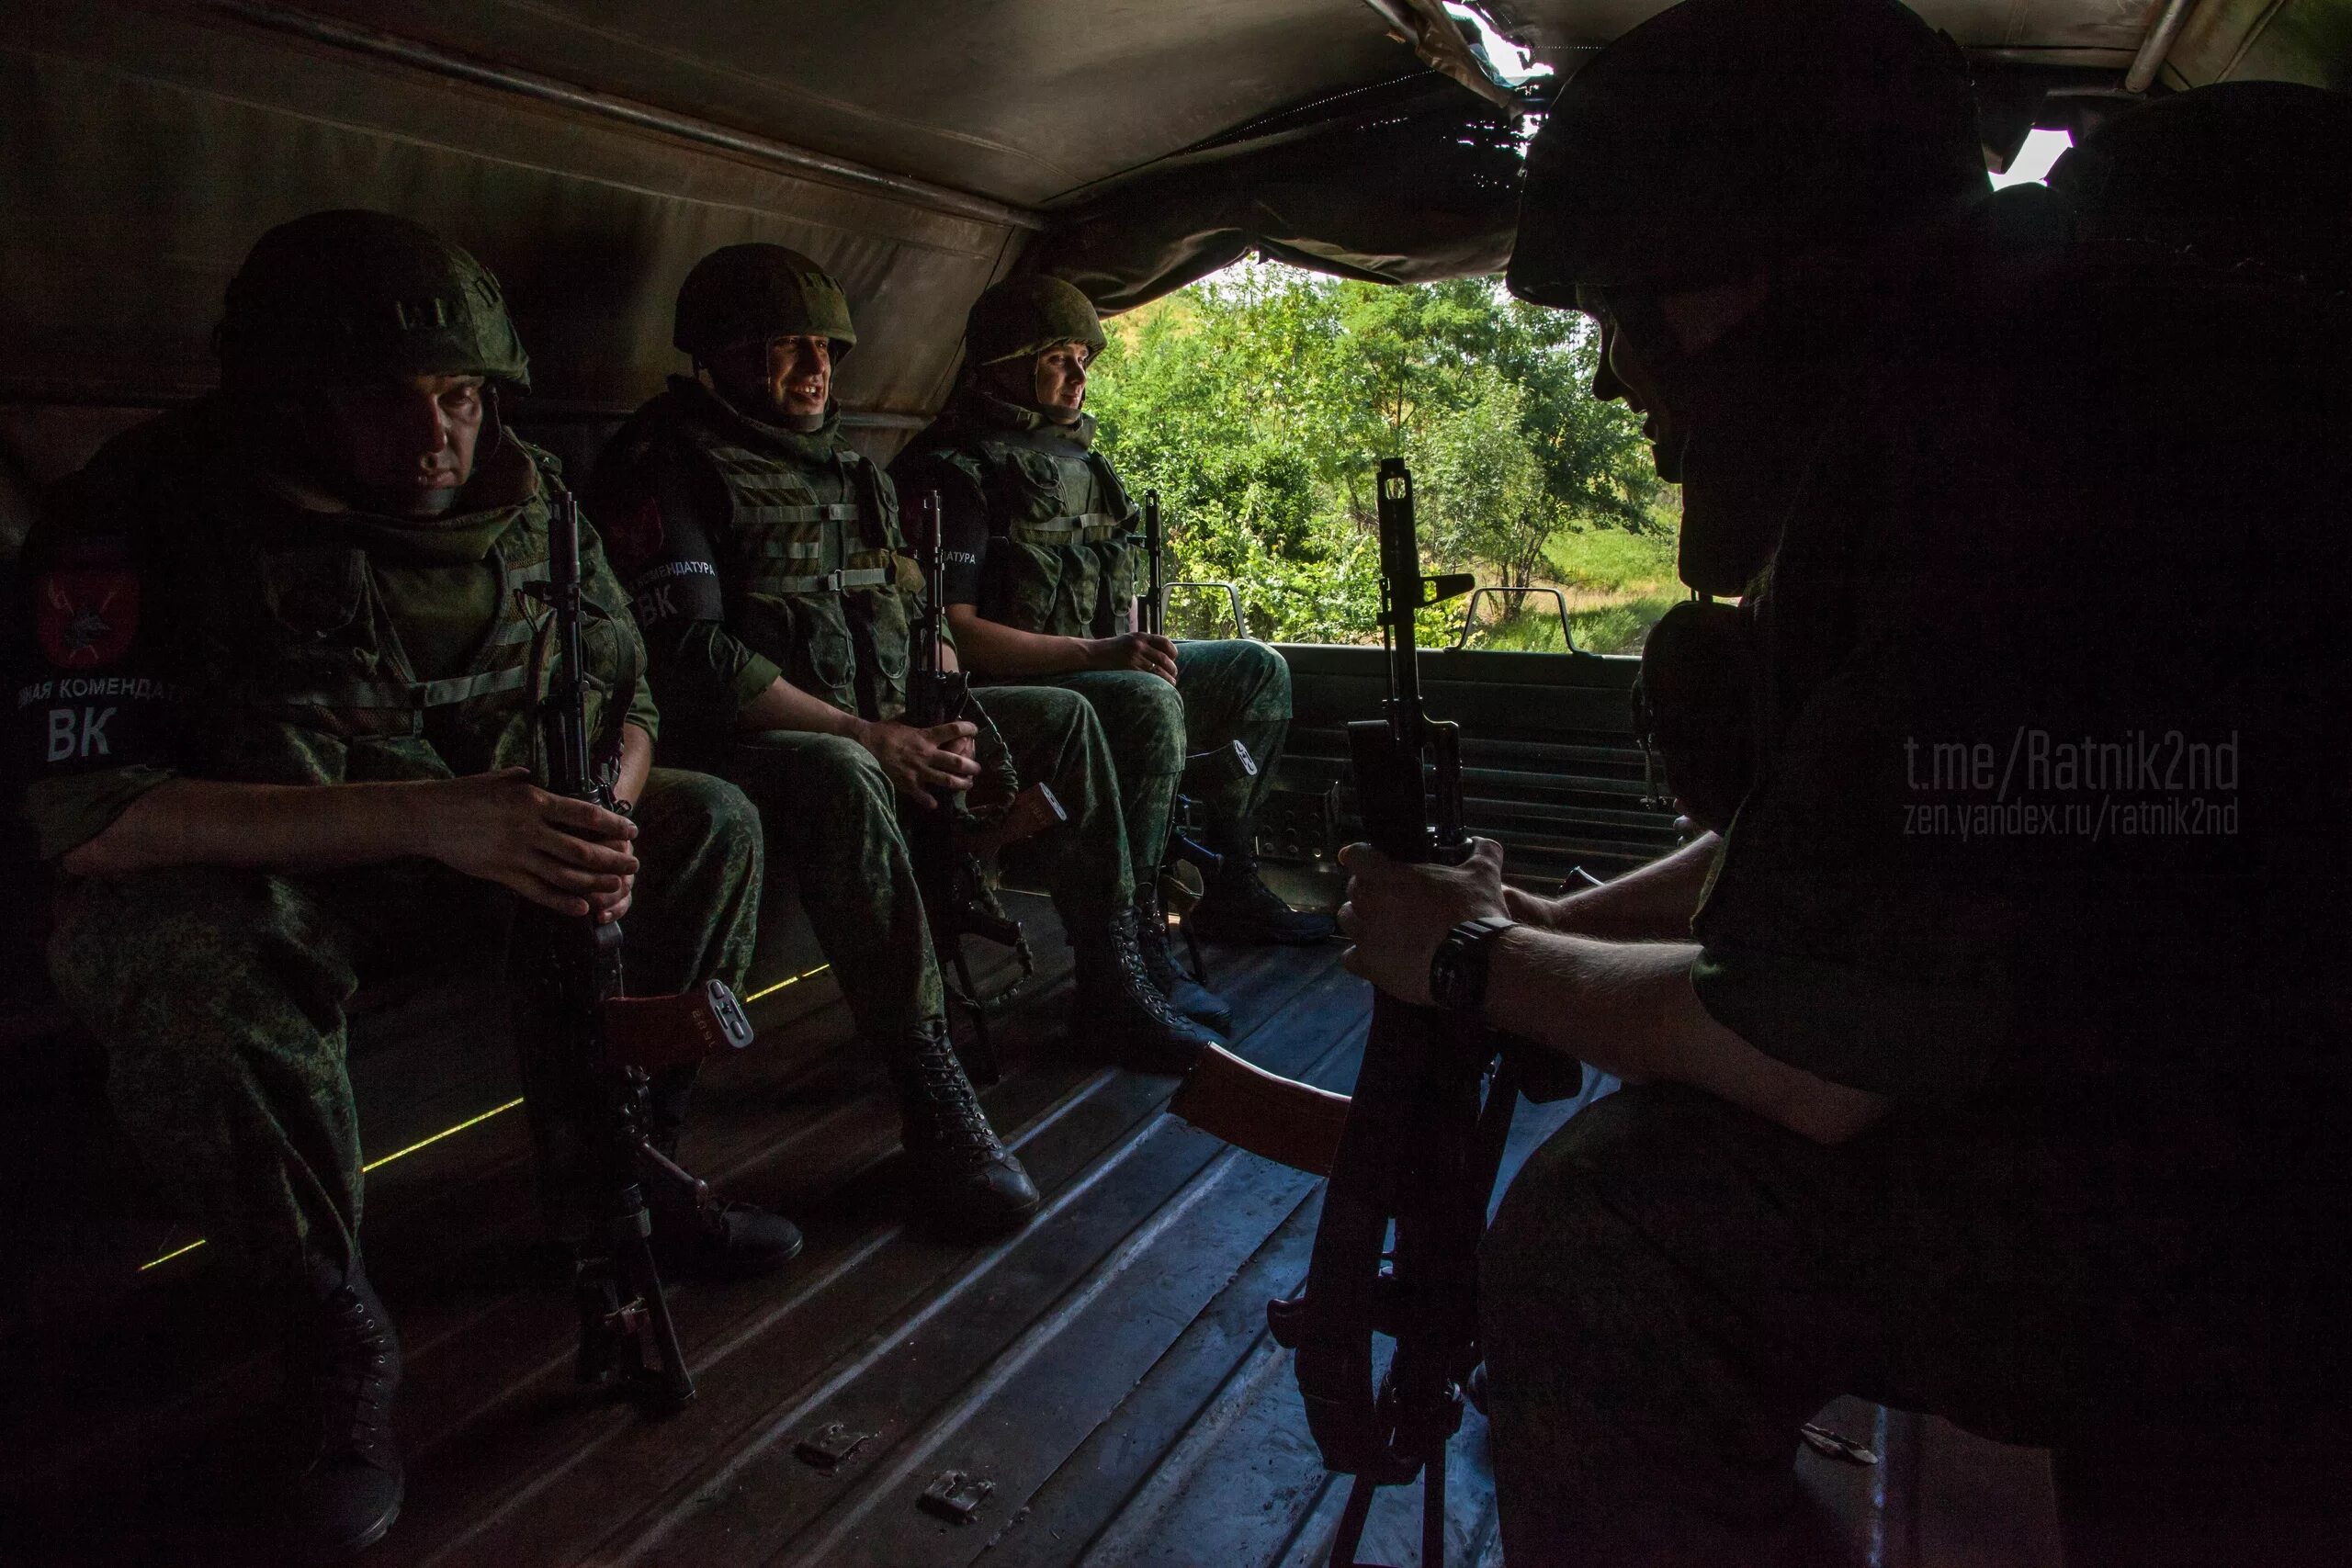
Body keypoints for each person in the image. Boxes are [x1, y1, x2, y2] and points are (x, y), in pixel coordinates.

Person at [1335, 2, 2352, 1563]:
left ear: (1740, 288)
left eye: (1619, 316)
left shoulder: (2018, 474)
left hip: (2266, 1205)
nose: (1613, 383)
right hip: (2231, 1095)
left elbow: (1811, 1048)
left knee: (1611, 1235)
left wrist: (1474, 959)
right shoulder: (2037, 390)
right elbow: (1845, 841)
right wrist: (1546, 922)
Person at [14, 211, 799, 1560]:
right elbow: (93, 820)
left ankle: (614, 1158)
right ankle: (326, 1319)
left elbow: (628, 700)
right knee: (180, 966)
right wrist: (436, 818)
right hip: (277, 872)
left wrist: (601, 814)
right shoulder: (147, 509)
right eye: (386, 398)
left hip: (496, 842)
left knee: (709, 819)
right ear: (285, 396)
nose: (437, 431)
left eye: (460, 393)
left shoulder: (533, 496)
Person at [591, 245, 1219, 1235]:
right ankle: (927, 1088)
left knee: (1064, 714)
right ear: (717, 358)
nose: (814, 369)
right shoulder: (663, 464)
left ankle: (1112, 968)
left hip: (879, 714)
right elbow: (693, 657)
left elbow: (920, 615)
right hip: (751, 745)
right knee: (842, 770)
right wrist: (868, 734)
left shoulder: (853, 469)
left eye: (825, 348)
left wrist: (951, 716)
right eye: (782, 350)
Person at [889, 275, 1334, 1025]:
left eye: (1081, 356)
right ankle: (1123, 956)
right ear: (1005, 361)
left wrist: (1135, 638)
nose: (1079, 372)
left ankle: (1223, 879)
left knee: (1257, 670)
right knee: (1147, 699)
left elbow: (1117, 586)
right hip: (1012, 692)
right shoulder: (953, 469)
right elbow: (956, 629)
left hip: (1098, 662)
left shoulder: (1084, 462)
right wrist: (1101, 651)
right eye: (1058, 357)